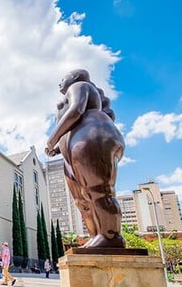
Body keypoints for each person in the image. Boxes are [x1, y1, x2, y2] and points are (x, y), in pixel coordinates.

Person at [45, 69, 125, 248]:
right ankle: (96, 234)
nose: (60, 83)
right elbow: (72, 127)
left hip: (91, 140)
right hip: (74, 150)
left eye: (63, 78)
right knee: (82, 199)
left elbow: (76, 110)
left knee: (98, 190)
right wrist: (58, 148)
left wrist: (52, 138)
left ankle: (111, 236)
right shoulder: (76, 89)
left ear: (73, 78)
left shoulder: (79, 85)